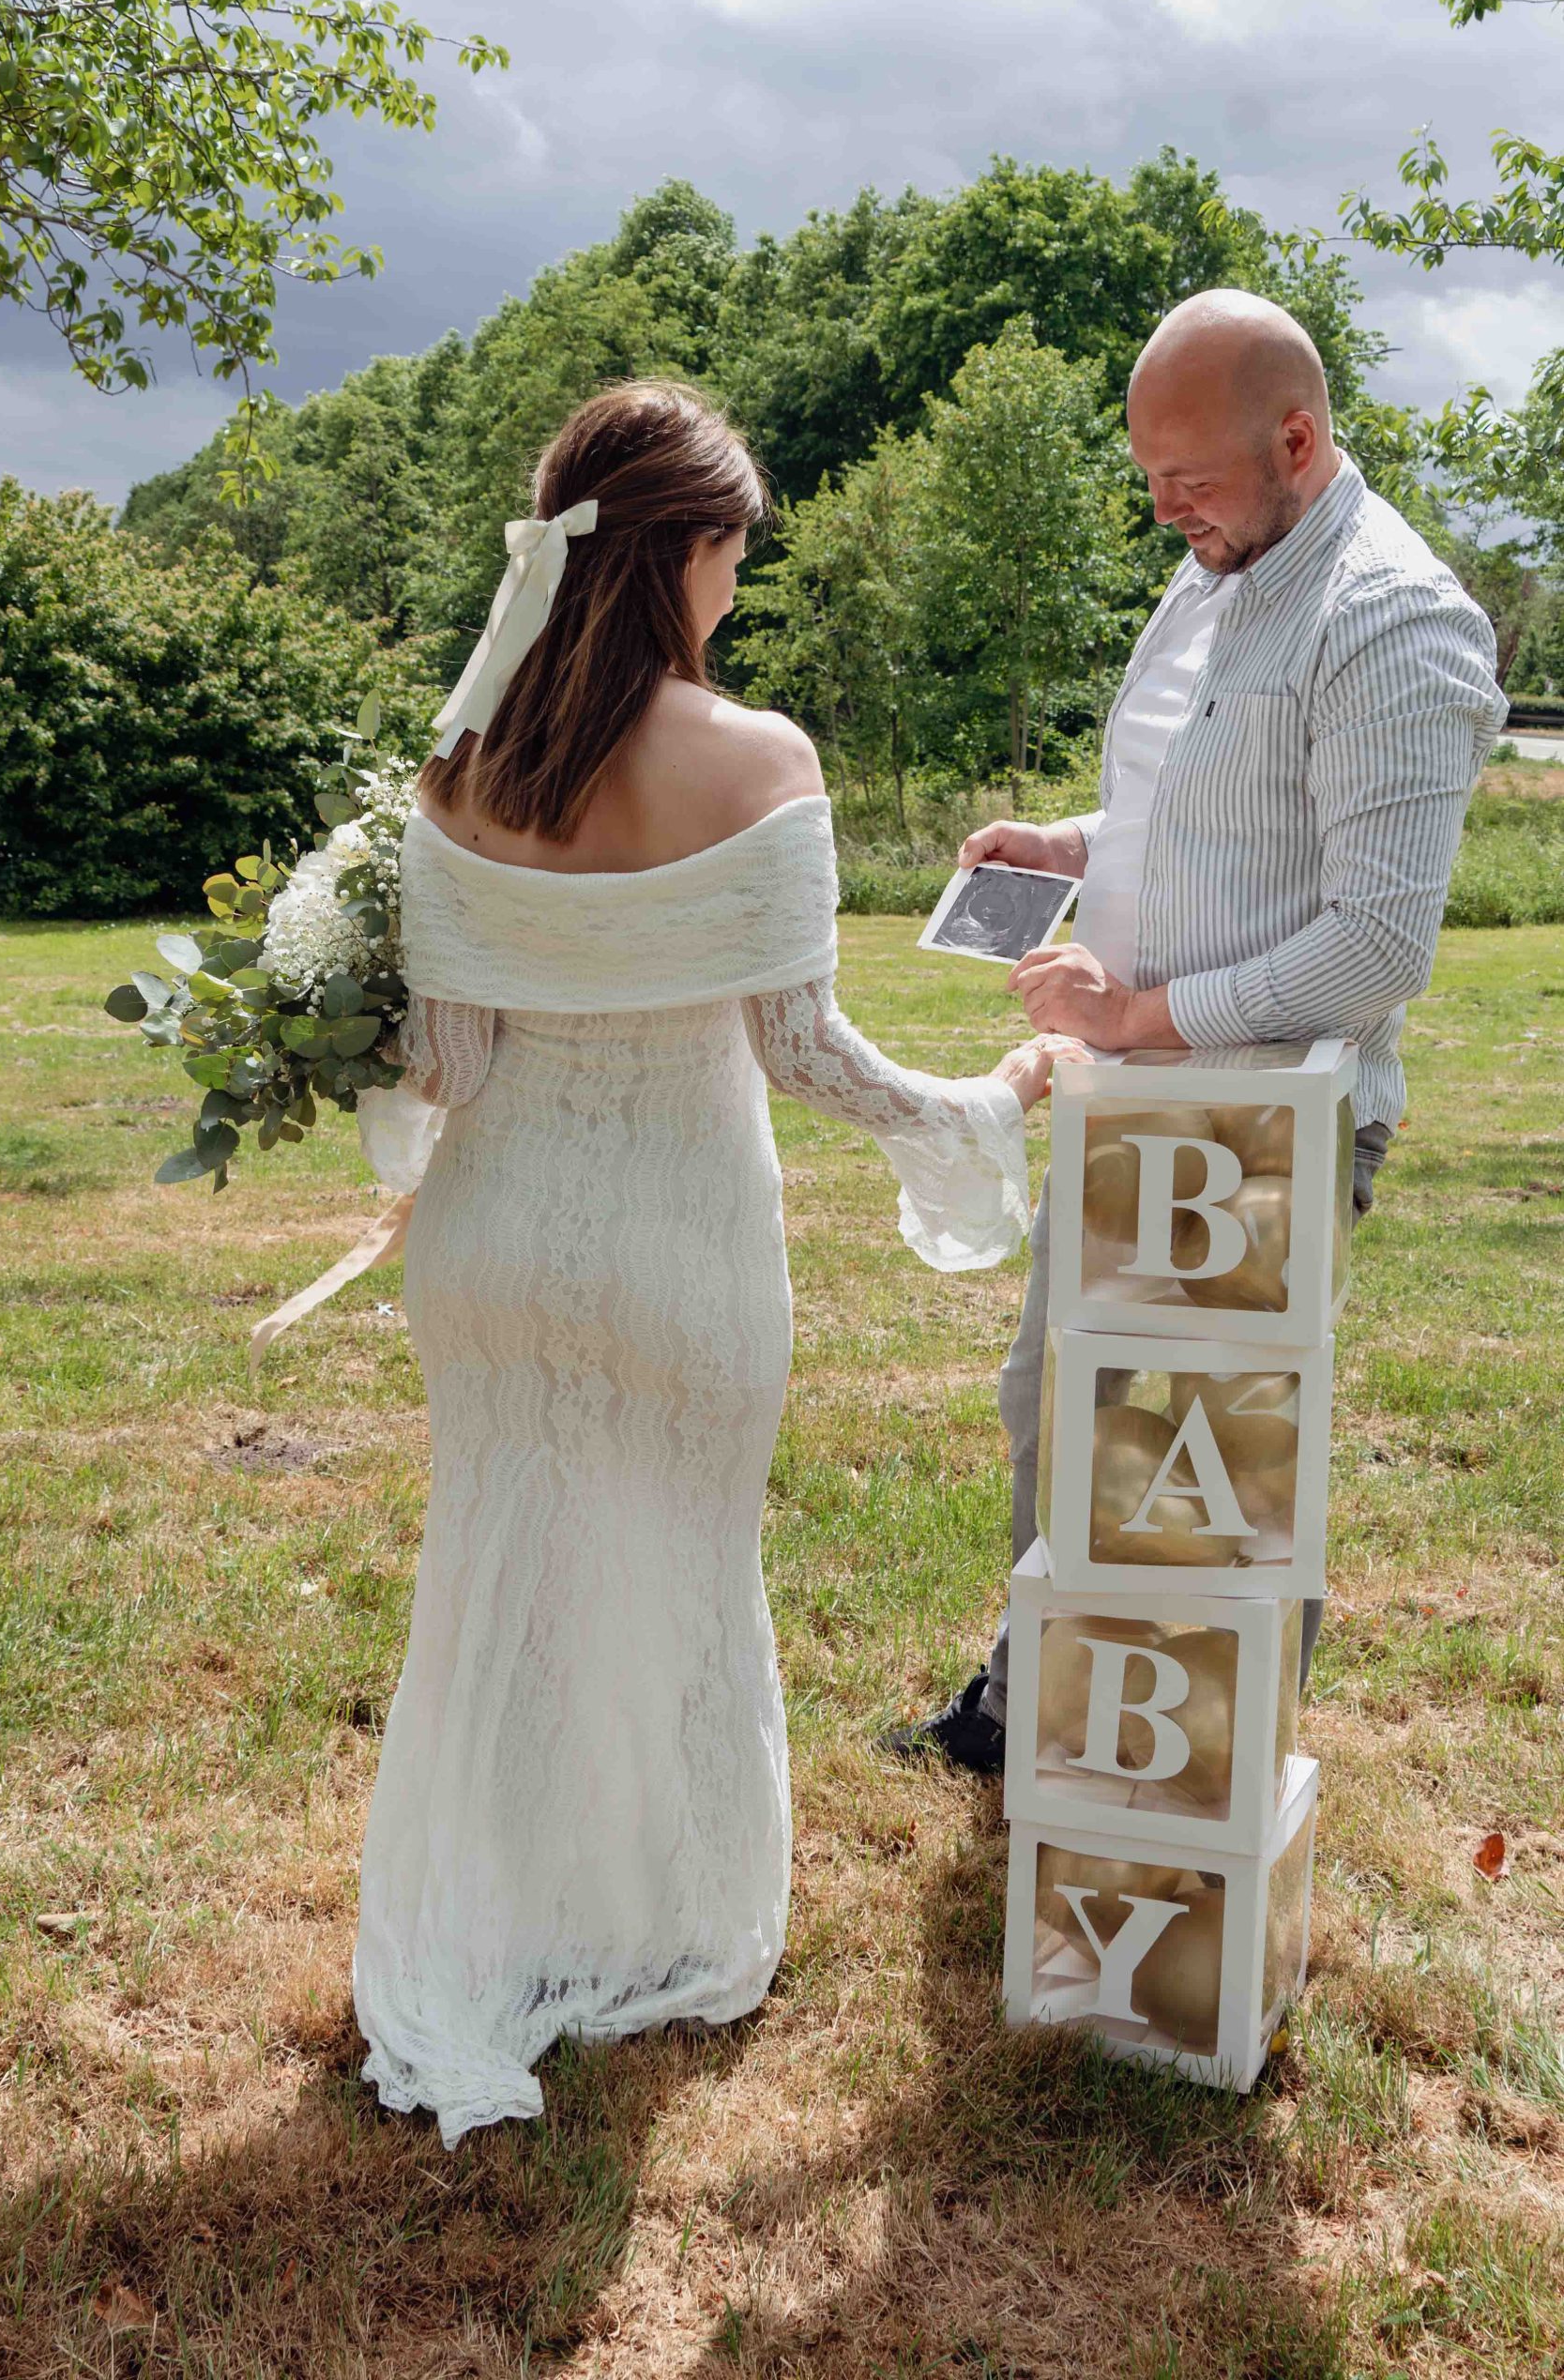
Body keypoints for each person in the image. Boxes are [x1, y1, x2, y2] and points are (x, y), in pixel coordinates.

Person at [348, 380, 1081, 2143]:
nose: (740, 584)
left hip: (494, 1249)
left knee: (504, 1589)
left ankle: (498, 1925)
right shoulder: (761, 761)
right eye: (737, 551)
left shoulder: (462, 769)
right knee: (673, 1576)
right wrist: (986, 1102)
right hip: (678, 1241)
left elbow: (442, 1061)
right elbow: (804, 1051)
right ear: (682, 549)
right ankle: (660, 1927)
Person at [883, 288, 1507, 1776]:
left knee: (1225, 1443)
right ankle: (1042, 1704)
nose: (1164, 510)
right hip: (1133, 1098)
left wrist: (1139, 1012)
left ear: (1297, 440)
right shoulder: (1218, 565)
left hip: (1265, 1121)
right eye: (1149, 476)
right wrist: (1070, 845)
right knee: (1058, 1401)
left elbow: (1375, 946)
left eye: (1189, 478)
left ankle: (1211, 1761)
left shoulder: (1394, 619)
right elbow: (1201, 813)